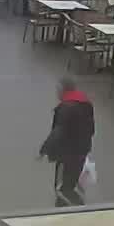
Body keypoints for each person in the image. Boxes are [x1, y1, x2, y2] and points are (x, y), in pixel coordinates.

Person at [38, 76, 95, 207]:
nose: (56, 92)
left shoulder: (65, 108)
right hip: (82, 152)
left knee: (62, 189)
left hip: (66, 155)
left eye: (58, 89)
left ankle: (69, 213)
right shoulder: (86, 104)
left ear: (64, 90)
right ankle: (78, 209)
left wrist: (44, 149)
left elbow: (58, 131)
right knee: (72, 184)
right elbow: (91, 129)